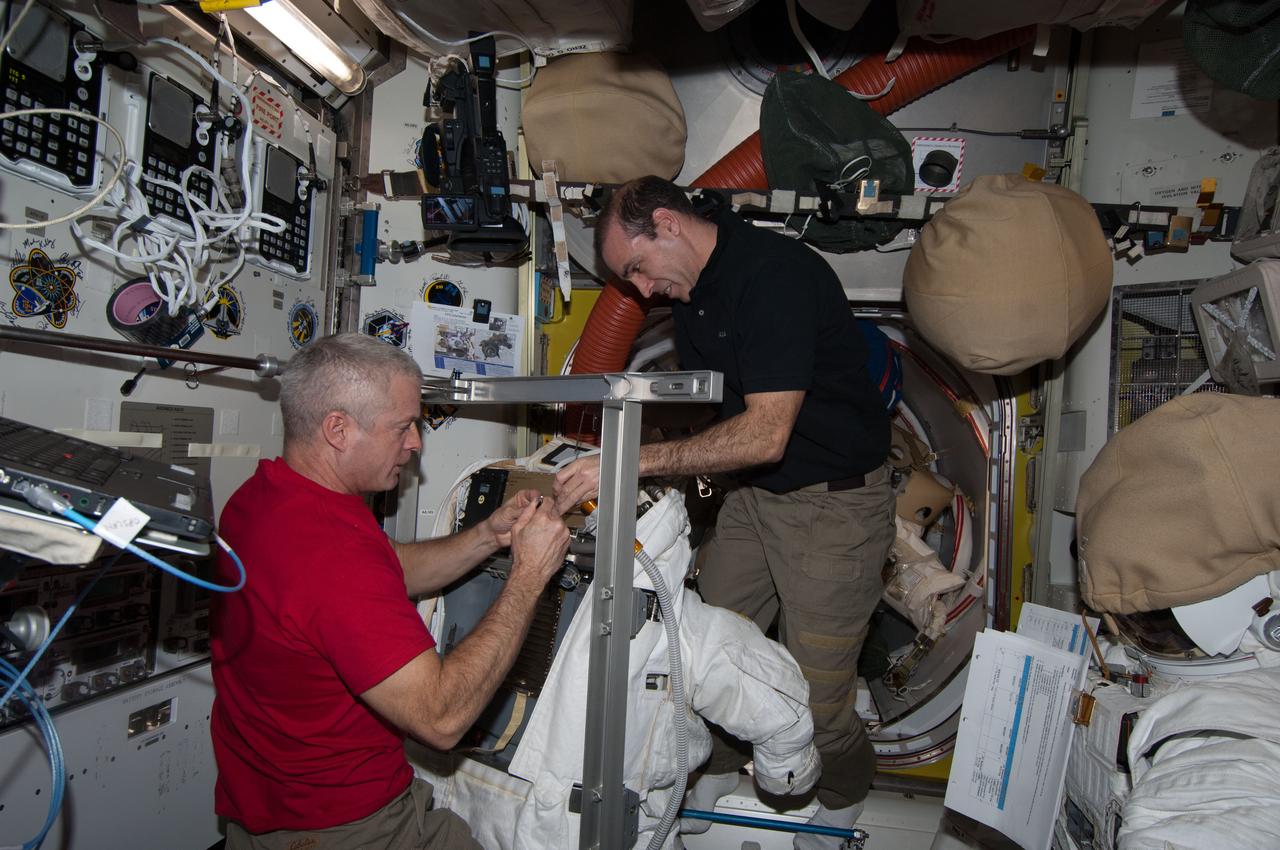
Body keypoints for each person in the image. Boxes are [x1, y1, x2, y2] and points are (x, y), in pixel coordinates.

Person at [553, 175, 894, 848]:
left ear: (667, 224)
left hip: (834, 507)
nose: (642, 290)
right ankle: (718, 768)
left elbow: (765, 433)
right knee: (701, 655)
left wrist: (634, 462)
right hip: (753, 496)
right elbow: (724, 413)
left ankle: (843, 796)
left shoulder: (773, 276)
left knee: (818, 694)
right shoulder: (694, 287)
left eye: (638, 268)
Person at [211, 333, 571, 850]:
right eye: (403, 426)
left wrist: (488, 536)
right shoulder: (331, 555)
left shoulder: (266, 498)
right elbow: (441, 718)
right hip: (344, 829)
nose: (416, 442)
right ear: (338, 429)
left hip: (273, 809)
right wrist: (530, 573)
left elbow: (390, 570)